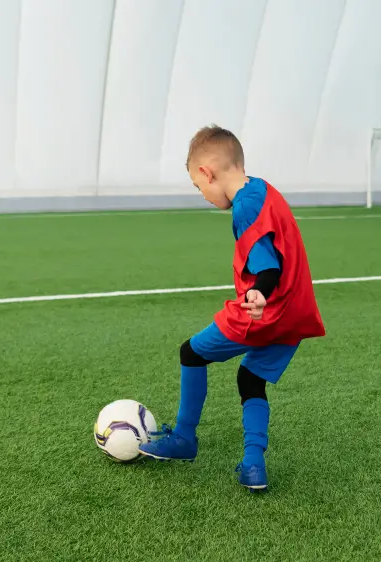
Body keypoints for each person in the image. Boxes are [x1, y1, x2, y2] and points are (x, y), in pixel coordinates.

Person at [137, 125, 326, 492]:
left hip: (265, 311)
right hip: (295, 315)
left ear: (207, 172)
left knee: (190, 353)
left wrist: (258, 293)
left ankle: (184, 439)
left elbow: (267, 263)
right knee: (250, 378)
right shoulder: (264, 190)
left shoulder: (245, 206)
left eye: (198, 186)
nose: (204, 195)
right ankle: (253, 466)